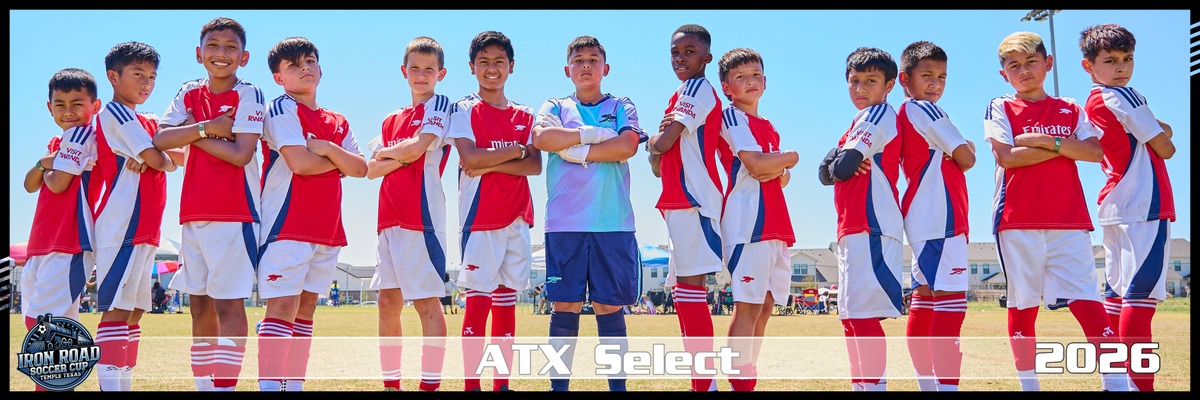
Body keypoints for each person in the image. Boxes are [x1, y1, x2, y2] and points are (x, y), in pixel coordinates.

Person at [984, 31, 1122, 392]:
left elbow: (1094, 153)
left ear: (1048, 63)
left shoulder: (1071, 107)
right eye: (1014, 65)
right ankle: (1029, 385)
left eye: (1031, 62)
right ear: (1004, 74)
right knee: (1023, 305)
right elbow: (1007, 157)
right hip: (1017, 221)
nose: (1024, 70)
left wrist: (1047, 141)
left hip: (1070, 220)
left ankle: (1116, 383)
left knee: (1088, 303)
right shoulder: (1000, 106)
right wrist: (1066, 148)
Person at [152, 17, 263, 392]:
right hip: (192, 213)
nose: (221, 53)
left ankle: (225, 386)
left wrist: (192, 132)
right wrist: (208, 127)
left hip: (235, 214)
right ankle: (204, 385)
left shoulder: (249, 94)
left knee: (228, 305)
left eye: (231, 47)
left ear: (244, 57)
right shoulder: (188, 91)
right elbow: (160, 139)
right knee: (198, 306)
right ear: (199, 54)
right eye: (213, 45)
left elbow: (241, 155)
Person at [530, 35, 645, 392]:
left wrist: (575, 151)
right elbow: (542, 139)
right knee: (564, 303)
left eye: (593, 59)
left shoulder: (621, 104)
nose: (585, 65)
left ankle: (617, 388)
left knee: (608, 306)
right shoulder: (555, 104)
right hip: (564, 224)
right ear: (567, 70)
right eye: (578, 60)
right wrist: (592, 134)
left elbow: (627, 146)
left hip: (614, 223)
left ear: (605, 68)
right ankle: (558, 388)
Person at [254, 36, 367, 392]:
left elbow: (361, 168)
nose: (304, 68)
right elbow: (300, 164)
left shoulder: (337, 120)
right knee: (282, 308)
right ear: (279, 77)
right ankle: (270, 386)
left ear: (321, 68)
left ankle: (294, 386)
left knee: (305, 312)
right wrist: (339, 161)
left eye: (310, 61)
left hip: (327, 229)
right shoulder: (281, 108)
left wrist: (329, 148)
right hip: (287, 225)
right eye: (293, 65)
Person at [1079, 24, 1176, 392]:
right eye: (1111, 60)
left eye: (1127, 59)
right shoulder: (1125, 95)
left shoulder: (1093, 101)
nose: (1121, 67)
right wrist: (1154, 127)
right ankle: (1139, 387)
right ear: (1089, 65)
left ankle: (1115, 383)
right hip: (1145, 204)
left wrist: (1153, 127)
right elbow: (1167, 145)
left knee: (1117, 298)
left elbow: (1159, 130)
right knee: (1139, 299)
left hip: (1114, 204)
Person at [446, 30, 540, 392]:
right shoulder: (464, 108)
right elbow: (470, 159)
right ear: (471, 67)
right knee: (477, 301)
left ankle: (502, 384)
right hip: (481, 217)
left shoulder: (525, 114)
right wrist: (515, 151)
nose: (491, 68)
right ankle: (472, 385)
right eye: (483, 61)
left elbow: (534, 166)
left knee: (506, 301)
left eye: (499, 61)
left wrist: (494, 161)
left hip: (517, 217)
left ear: (511, 66)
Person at [365, 36, 454, 392]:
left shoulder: (441, 105)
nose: (421, 75)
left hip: (422, 219)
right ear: (404, 71)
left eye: (429, 69)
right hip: (387, 218)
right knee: (387, 303)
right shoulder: (391, 119)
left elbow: (418, 149)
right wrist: (399, 154)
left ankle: (429, 385)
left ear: (440, 74)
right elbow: (371, 170)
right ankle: (391, 384)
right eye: (415, 68)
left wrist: (392, 154)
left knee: (426, 304)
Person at [91, 41, 178, 392]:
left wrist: (159, 156)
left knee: (135, 311)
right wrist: (160, 158)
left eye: (152, 76)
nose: (146, 82)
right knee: (116, 309)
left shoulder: (146, 119)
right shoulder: (116, 113)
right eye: (138, 74)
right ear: (113, 77)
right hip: (121, 226)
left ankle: (122, 383)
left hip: (145, 228)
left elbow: (177, 153)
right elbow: (161, 159)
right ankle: (111, 386)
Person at [816, 46, 903, 391]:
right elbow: (825, 173)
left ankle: (875, 386)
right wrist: (841, 159)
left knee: (863, 318)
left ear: (889, 85)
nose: (860, 88)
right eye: (854, 81)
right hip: (852, 227)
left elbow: (840, 168)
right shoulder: (858, 121)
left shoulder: (878, 114)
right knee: (850, 318)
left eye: (871, 81)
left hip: (872, 225)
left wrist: (840, 161)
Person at [645, 24, 725, 392]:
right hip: (680, 200)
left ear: (707, 57)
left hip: (695, 200)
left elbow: (661, 144)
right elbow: (657, 163)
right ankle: (700, 381)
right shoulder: (679, 94)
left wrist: (654, 140)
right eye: (675, 53)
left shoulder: (696, 89)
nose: (680, 58)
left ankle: (705, 384)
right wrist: (657, 144)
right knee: (684, 294)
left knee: (691, 292)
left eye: (689, 52)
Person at [714, 47, 799, 391]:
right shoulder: (732, 117)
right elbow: (757, 165)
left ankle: (748, 375)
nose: (750, 81)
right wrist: (790, 157)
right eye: (740, 77)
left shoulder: (767, 126)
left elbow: (778, 177)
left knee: (765, 307)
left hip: (776, 223)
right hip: (748, 224)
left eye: (755, 75)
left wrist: (775, 165)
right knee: (747, 307)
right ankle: (739, 382)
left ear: (765, 81)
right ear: (727, 87)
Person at [894, 41, 975, 392]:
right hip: (942, 217)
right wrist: (962, 148)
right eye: (926, 75)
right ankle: (945, 386)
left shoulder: (909, 112)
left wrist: (959, 150)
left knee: (925, 302)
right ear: (904, 79)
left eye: (942, 77)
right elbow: (968, 157)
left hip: (926, 216)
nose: (935, 84)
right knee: (950, 306)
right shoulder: (924, 109)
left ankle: (928, 384)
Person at [21, 68, 103, 392]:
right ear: (49, 107)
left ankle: (50, 386)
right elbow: (30, 184)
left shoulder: (82, 136)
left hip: (69, 241)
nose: (68, 111)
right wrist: (46, 162)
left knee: (41, 323)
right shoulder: (58, 142)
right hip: (44, 241)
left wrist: (47, 166)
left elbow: (56, 184)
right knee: (57, 325)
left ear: (94, 106)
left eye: (77, 103)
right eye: (60, 104)